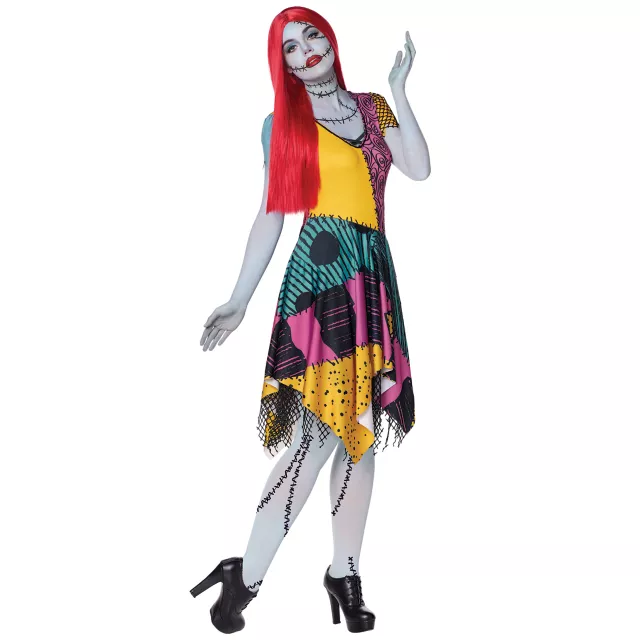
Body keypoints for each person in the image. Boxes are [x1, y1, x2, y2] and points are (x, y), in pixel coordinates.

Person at [190, 6, 430, 634]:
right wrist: (239, 298)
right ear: (285, 66)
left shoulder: (374, 108)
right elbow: (271, 214)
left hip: (371, 276)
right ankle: (246, 574)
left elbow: (419, 167)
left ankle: (344, 573)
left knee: (359, 432)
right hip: (321, 281)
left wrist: (401, 91)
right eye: (291, 47)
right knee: (317, 437)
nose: (307, 50)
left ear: (330, 40)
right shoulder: (283, 124)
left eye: (312, 35)